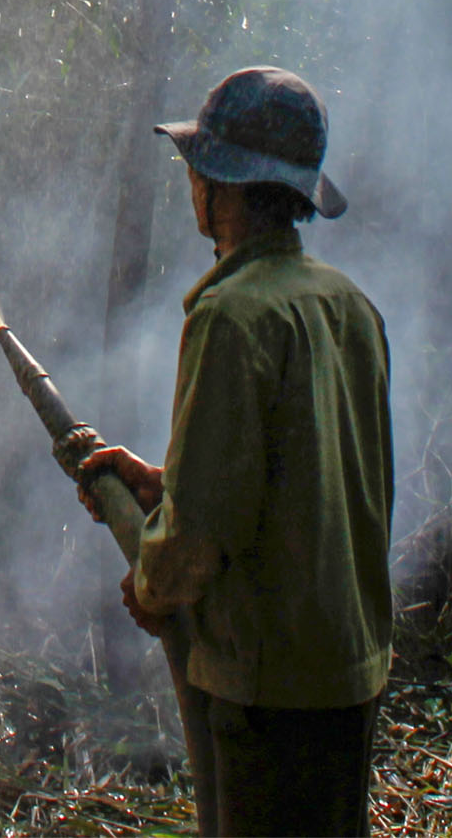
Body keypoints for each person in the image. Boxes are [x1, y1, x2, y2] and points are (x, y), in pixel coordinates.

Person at [76, 66, 392, 838]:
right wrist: (160, 483)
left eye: (197, 166)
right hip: (348, 672)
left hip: (267, 689)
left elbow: (195, 542)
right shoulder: (348, 305)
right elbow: (304, 478)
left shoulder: (230, 316)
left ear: (225, 185)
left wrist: (151, 588)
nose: (190, 182)